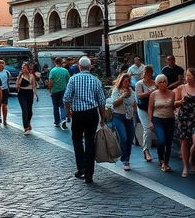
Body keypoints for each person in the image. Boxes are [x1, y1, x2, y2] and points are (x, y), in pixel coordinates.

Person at [63, 56, 106, 184]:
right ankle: (89, 173)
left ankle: (81, 166)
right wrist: (102, 118)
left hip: (78, 114)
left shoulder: (73, 79)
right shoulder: (96, 80)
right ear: (90, 66)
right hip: (92, 113)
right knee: (90, 141)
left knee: (77, 140)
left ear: (79, 66)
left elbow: (66, 98)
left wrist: (68, 112)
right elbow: (102, 102)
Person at [175, 67, 195, 177]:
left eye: (190, 76)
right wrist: (180, 102)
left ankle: (191, 158)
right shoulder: (180, 88)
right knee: (184, 143)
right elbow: (174, 104)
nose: (187, 78)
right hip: (184, 118)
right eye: (186, 75)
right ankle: (185, 166)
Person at [110, 72, 137, 171]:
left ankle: (127, 159)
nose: (127, 83)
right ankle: (124, 159)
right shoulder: (116, 91)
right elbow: (114, 103)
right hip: (118, 117)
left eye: (128, 81)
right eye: (125, 81)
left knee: (130, 139)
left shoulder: (131, 91)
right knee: (124, 138)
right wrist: (122, 96)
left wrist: (133, 112)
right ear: (121, 82)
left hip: (129, 118)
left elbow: (133, 103)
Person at [148, 74, 175, 172]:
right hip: (158, 120)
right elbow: (150, 108)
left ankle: (166, 163)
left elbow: (173, 106)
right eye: (160, 82)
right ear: (157, 84)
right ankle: (160, 158)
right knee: (162, 140)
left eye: (164, 81)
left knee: (168, 143)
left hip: (170, 119)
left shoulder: (172, 93)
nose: (163, 83)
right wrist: (150, 121)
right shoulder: (154, 94)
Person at [135, 65, 156, 162]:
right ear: (145, 73)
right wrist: (150, 93)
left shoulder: (154, 82)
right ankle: (146, 150)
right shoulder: (139, 84)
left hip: (154, 108)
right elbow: (139, 95)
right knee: (147, 129)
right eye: (148, 73)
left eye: (151, 73)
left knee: (154, 129)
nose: (149, 75)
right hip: (143, 108)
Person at [15, 62, 38, 134]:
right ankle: (26, 127)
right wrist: (19, 81)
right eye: (22, 68)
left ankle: (28, 122)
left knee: (30, 111)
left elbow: (34, 86)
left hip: (30, 93)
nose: (23, 69)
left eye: (24, 68)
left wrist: (35, 94)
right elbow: (16, 86)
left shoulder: (31, 76)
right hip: (22, 93)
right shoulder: (20, 76)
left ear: (28, 69)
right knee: (24, 110)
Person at [48, 57, 70, 129]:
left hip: (54, 91)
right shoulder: (65, 71)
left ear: (55, 62)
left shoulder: (52, 71)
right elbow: (69, 81)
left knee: (55, 107)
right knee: (62, 106)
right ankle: (63, 119)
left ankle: (57, 122)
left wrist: (50, 89)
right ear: (61, 63)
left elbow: (51, 82)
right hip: (63, 90)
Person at [0, 59, 11, 128]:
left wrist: (8, 88)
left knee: (5, 105)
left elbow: (8, 81)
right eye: (0, 64)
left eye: (3, 64)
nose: (1, 65)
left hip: (5, 90)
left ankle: (5, 119)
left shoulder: (7, 72)